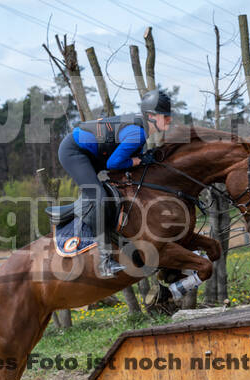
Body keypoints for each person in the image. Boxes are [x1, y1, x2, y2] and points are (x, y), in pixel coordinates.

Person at [57, 89, 173, 277]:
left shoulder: (142, 128)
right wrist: (137, 161)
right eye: (165, 116)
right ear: (151, 116)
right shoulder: (139, 133)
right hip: (74, 152)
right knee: (100, 198)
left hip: (91, 152)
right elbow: (113, 164)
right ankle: (104, 263)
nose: (169, 120)